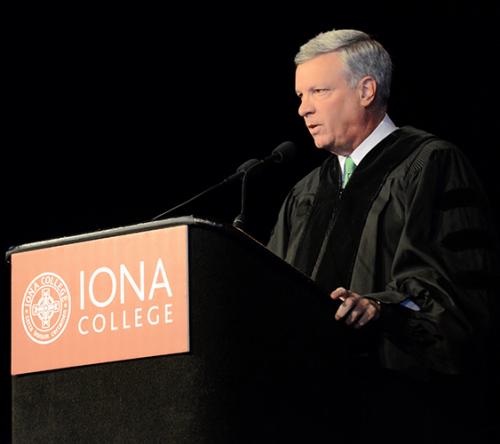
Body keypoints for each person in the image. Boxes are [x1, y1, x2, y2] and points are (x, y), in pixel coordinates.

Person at [267, 28, 499, 443]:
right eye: (300, 96)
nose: (304, 109)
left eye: (318, 91)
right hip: (308, 412)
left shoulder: (430, 164)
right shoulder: (304, 193)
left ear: (367, 90)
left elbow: (453, 294)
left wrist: (380, 309)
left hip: (399, 409)